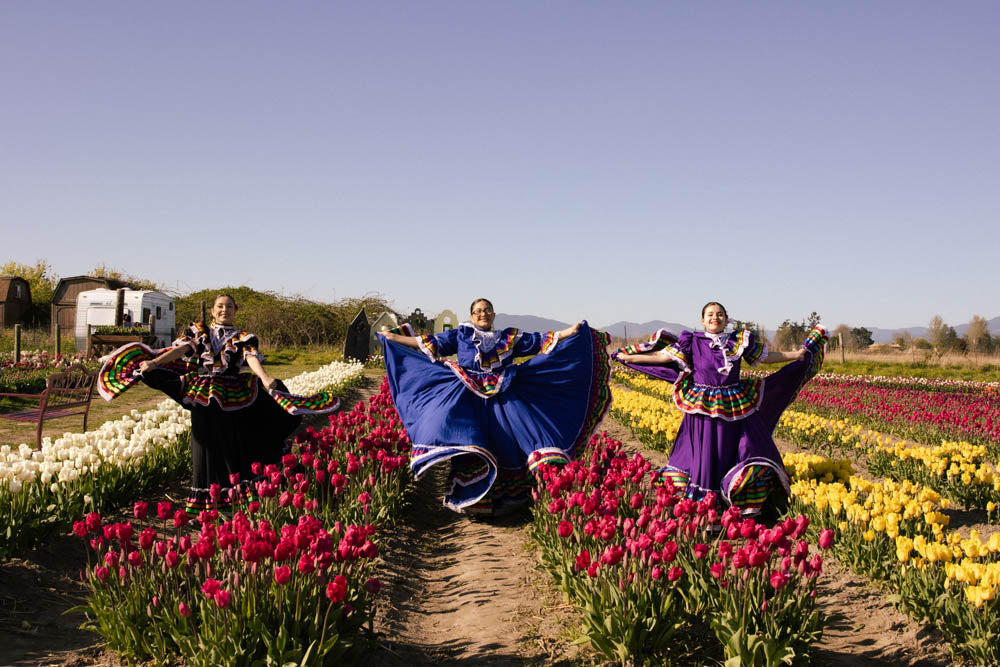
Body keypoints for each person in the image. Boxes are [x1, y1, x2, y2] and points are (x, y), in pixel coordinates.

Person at [97, 293, 341, 515]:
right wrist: (156, 363)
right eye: (220, 307)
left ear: (235, 310)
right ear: (213, 311)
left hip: (233, 392)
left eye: (229, 307)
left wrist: (266, 379)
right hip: (202, 391)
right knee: (203, 442)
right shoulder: (199, 332)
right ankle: (204, 503)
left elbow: (251, 358)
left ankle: (232, 497)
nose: (225, 310)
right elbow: (180, 349)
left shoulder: (243, 337)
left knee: (231, 442)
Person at [379, 298, 612, 516]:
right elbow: (429, 343)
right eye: (478, 311)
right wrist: (393, 339)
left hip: (505, 394)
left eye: (487, 310)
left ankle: (512, 497)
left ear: (493, 314)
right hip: (469, 396)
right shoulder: (461, 335)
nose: (483, 314)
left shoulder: (508, 337)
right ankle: (477, 500)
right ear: (471, 316)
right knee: (473, 443)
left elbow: (539, 340)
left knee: (508, 441)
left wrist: (570, 333)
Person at [613, 302, 827, 518]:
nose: (715, 318)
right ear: (702, 320)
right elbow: (661, 357)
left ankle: (732, 496)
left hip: (734, 403)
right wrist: (630, 357)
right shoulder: (692, 342)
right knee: (707, 451)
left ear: (726, 318)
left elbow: (766, 357)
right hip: (702, 406)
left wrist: (794, 355)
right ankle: (706, 502)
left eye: (720, 314)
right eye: (710, 315)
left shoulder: (738, 341)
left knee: (732, 447)